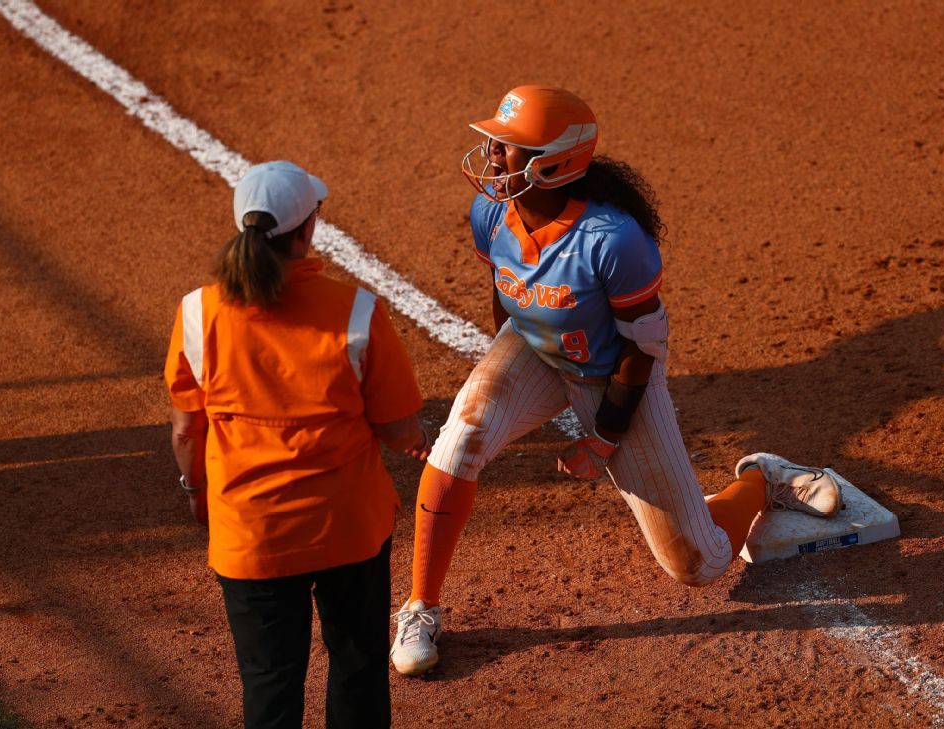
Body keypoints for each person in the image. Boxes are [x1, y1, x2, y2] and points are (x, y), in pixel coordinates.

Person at [389, 85, 844, 676]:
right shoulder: (490, 213)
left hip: (615, 374)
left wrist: (600, 438)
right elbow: (506, 297)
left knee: (699, 565)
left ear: (556, 162)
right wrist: (507, 380)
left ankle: (764, 478)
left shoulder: (613, 240)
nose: (494, 155)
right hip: (533, 348)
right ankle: (420, 605)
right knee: (460, 438)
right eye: (495, 142)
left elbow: (642, 350)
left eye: (510, 147)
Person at [164, 161, 428, 728]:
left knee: (270, 686)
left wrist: (195, 489)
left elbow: (187, 429)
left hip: (250, 537)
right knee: (357, 673)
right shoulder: (356, 313)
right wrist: (413, 439)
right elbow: (398, 428)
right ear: (310, 228)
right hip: (348, 532)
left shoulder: (195, 314)